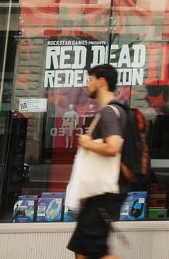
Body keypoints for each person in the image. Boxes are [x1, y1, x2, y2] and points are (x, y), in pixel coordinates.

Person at [68, 64, 126, 259]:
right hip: (100, 192)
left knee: (89, 251)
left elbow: (113, 147)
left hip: (103, 192)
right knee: (84, 250)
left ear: (101, 82)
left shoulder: (109, 112)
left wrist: (87, 143)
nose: (87, 84)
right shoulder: (113, 111)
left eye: (90, 79)